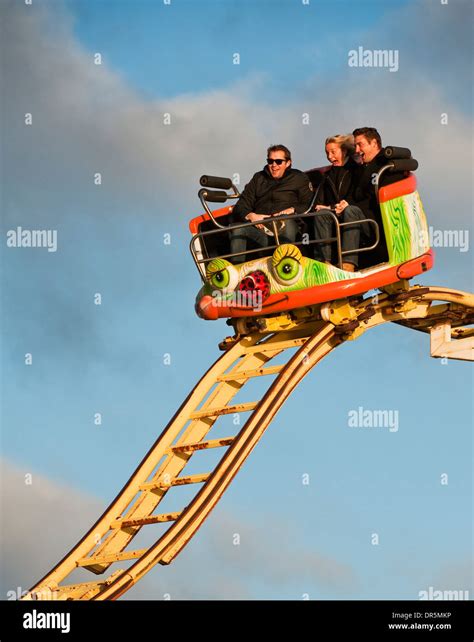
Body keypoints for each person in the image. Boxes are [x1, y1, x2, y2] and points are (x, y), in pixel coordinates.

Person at [229, 145, 314, 263]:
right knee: (238, 229)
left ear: (288, 163)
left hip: (289, 228)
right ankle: (237, 273)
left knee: (286, 221)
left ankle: (286, 263)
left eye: (278, 161)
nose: (274, 165)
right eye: (270, 161)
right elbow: (241, 206)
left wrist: (293, 209)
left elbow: (310, 203)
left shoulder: (299, 178)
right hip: (263, 231)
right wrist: (250, 216)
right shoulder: (258, 178)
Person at [311, 134, 368, 272]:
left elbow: (360, 195)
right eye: (327, 153)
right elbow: (320, 203)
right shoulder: (328, 175)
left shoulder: (357, 170)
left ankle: (348, 263)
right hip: (336, 215)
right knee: (322, 214)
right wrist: (329, 207)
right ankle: (325, 263)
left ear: (344, 151)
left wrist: (345, 204)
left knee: (350, 210)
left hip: (359, 216)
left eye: (333, 152)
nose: (329, 157)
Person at [351, 127, 407, 265]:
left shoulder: (388, 166)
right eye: (355, 146)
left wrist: (350, 206)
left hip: (380, 227)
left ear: (374, 143)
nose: (357, 150)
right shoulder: (362, 168)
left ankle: (348, 263)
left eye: (360, 145)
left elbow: (377, 199)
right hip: (365, 218)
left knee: (350, 212)